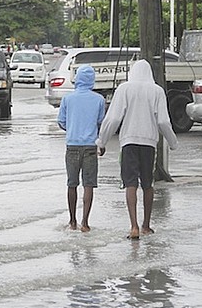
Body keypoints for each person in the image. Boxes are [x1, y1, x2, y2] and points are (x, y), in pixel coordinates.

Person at [96, 59, 178, 240]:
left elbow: (113, 119)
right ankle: (146, 225)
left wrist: (102, 141)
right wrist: (173, 142)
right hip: (149, 143)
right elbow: (163, 121)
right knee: (148, 184)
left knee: (130, 183)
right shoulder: (157, 91)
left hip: (128, 142)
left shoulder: (124, 89)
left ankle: (133, 227)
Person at [57, 65, 106, 232]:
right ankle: (85, 223)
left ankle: (72, 222)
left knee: (72, 184)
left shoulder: (67, 99)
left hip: (72, 146)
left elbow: (61, 122)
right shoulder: (99, 99)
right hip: (91, 147)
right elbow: (101, 123)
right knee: (89, 185)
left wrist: (72, 129)